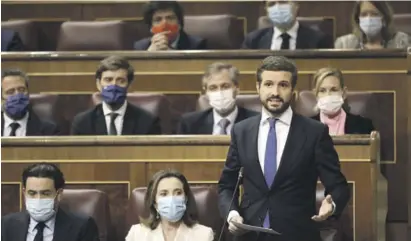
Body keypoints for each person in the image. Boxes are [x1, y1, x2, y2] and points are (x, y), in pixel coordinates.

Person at [218, 56, 350, 241]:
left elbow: (338, 186)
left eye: (283, 85)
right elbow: (226, 185)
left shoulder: (314, 132)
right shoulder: (242, 131)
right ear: (258, 87)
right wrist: (232, 214)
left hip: (297, 234)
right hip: (249, 234)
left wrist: (332, 204)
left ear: (293, 90)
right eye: (269, 84)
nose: (275, 92)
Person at [1, 163, 100, 241]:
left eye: (45, 193)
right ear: (24, 192)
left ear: (59, 194)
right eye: (32, 193)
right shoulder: (7, 225)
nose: (38, 199)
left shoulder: (82, 227)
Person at [71, 56, 161, 135]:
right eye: (108, 80)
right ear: (98, 84)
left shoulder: (147, 122)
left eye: (120, 80)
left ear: (129, 85)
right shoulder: (83, 122)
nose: (114, 85)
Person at [126, 169, 214, 241]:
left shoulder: (204, 235)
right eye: (164, 194)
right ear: (154, 203)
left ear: (186, 199)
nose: (172, 199)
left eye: (178, 193)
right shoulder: (137, 234)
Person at [176, 62, 258, 135]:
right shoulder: (189, 124)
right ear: (206, 92)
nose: (220, 92)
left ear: (237, 88)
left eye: (225, 86)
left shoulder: (256, 122)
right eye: (213, 88)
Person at [242, 1, 333, 50]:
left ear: (296, 6)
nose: (277, 8)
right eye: (271, 4)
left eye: (283, 2)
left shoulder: (319, 40)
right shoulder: (253, 40)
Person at [311, 67, 374, 135]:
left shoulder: (363, 125)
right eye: (322, 91)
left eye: (334, 90)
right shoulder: (306, 128)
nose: (328, 95)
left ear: (343, 93)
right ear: (316, 95)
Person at [1, 69, 60, 136]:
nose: (17, 95)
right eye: (10, 92)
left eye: (22, 90)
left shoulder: (49, 130)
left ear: (28, 93)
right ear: (1, 98)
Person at [134, 1, 207, 51]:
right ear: (151, 27)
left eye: (170, 18)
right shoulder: (141, 47)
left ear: (180, 24)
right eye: (158, 19)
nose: (165, 23)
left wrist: (172, 54)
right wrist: (149, 55)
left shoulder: (197, 45)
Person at [334, 1, 409, 49]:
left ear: (384, 18)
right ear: (358, 19)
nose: (369, 18)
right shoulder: (345, 44)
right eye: (364, 14)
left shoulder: (400, 42)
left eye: (374, 14)